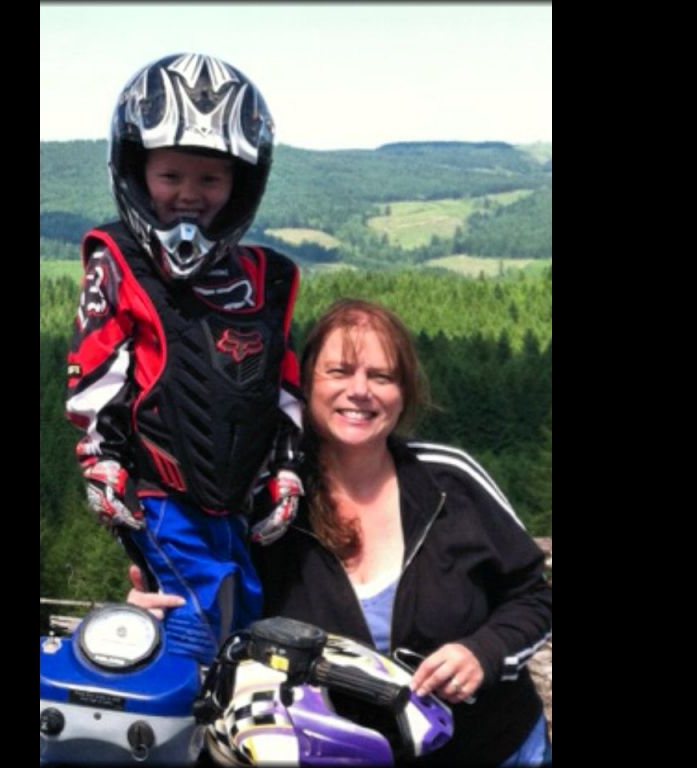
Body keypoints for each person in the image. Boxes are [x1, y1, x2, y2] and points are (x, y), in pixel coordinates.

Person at [130, 299, 552, 766]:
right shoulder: (261, 503)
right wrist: (154, 620)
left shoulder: (451, 482)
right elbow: (209, 619)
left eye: (382, 376)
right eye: (339, 372)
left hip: (493, 750)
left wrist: (483, 653)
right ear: (304, 384)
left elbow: (533, 597)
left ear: (404, 392)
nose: (360, 391)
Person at [66, 53, 304, 666]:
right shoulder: (117, 262)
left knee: (246, 607)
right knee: (197, 625)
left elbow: (281, 383)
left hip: (239, 499)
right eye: (170, 176)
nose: (189, 196)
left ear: (240, 185)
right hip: (162, 494)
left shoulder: (265, 278)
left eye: (210, 180)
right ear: (136, 172)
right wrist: (101, 459)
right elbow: (98, 371)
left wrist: (286, 465)